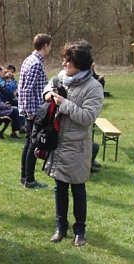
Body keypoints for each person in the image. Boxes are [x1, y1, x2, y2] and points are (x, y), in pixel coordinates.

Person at [42, 40, 104, 247]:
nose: (63, 64)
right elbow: (49, 85)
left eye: (67, 62)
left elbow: (88, 117)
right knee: (59, 188)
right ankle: (60, 227)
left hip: (77, 146)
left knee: (78, 190)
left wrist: (64, 104)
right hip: (59, 144)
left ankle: (80, 231)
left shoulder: (93, 87)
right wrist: (48, 93)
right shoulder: (61, 77)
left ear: (80, 65)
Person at [18, 33, 52, 189]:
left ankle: (24, 177)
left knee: (28, 143)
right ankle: (29, 180)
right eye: (50, 45)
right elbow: (26, 89)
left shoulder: (29, 60)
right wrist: (30, 112)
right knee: (33, 144)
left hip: (31, 109)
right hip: (34, 111)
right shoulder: (35, 63)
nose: (50, 48)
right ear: (45, 45)